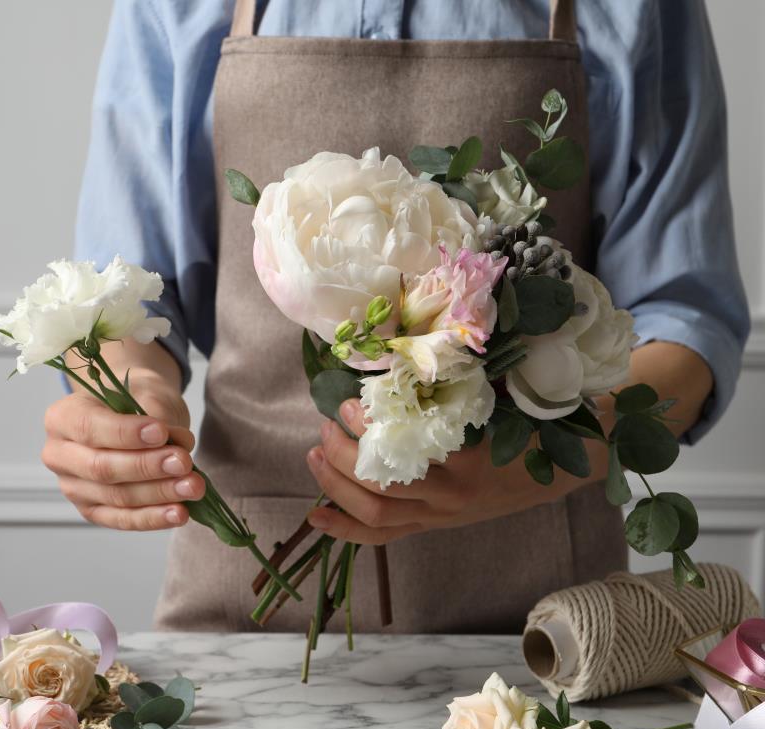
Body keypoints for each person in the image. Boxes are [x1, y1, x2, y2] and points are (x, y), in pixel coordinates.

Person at [41, 0, 748, 633]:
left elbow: (683, 324)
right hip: (243, 606)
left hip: (544, 628)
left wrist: (531, 466)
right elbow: (125, 299)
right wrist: (131, 404)